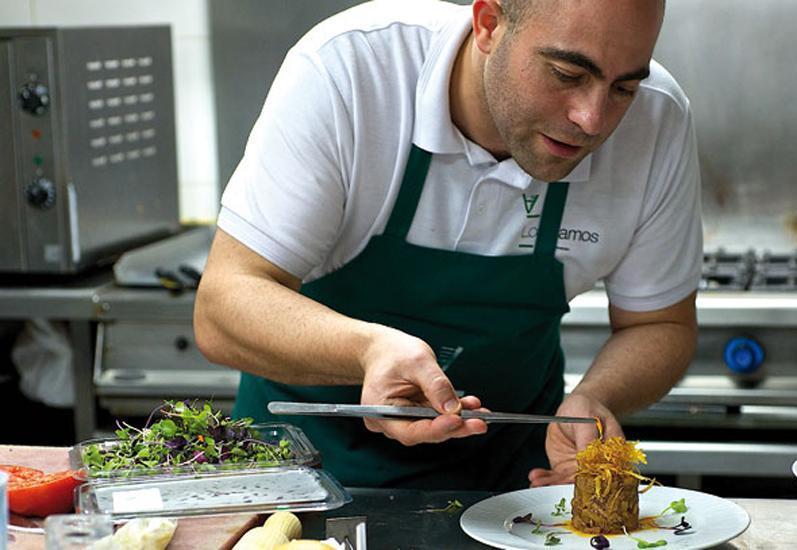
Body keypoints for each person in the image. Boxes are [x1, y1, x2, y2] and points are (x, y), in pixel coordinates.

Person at [195, 0, 701, 491]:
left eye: (624, 88)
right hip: (299, 475)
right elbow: (223, 307)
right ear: (488, 24)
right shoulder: (352, 70)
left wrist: (596, 395)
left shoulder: (657, 119)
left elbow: (660, 324)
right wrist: (369, 351)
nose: (592, 119)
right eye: (567, 75)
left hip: (509, 488)